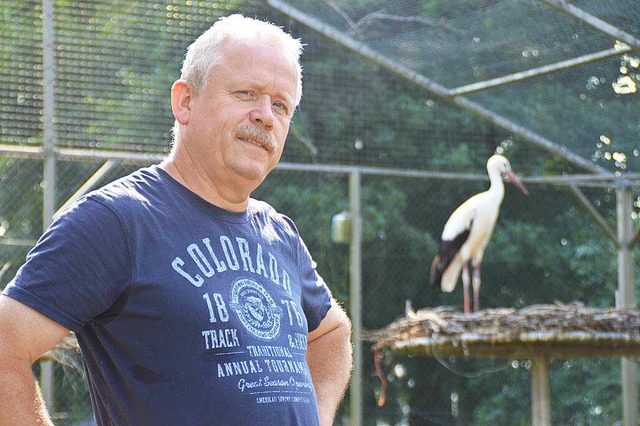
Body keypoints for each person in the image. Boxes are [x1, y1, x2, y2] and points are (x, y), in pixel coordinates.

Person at [0, 14, 352, 426]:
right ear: (185, 101)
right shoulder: (117, 221)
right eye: (246, 93)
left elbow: (331, 333)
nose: (265, 116)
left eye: (281, 105)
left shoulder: (278, 232)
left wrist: (318, 416)